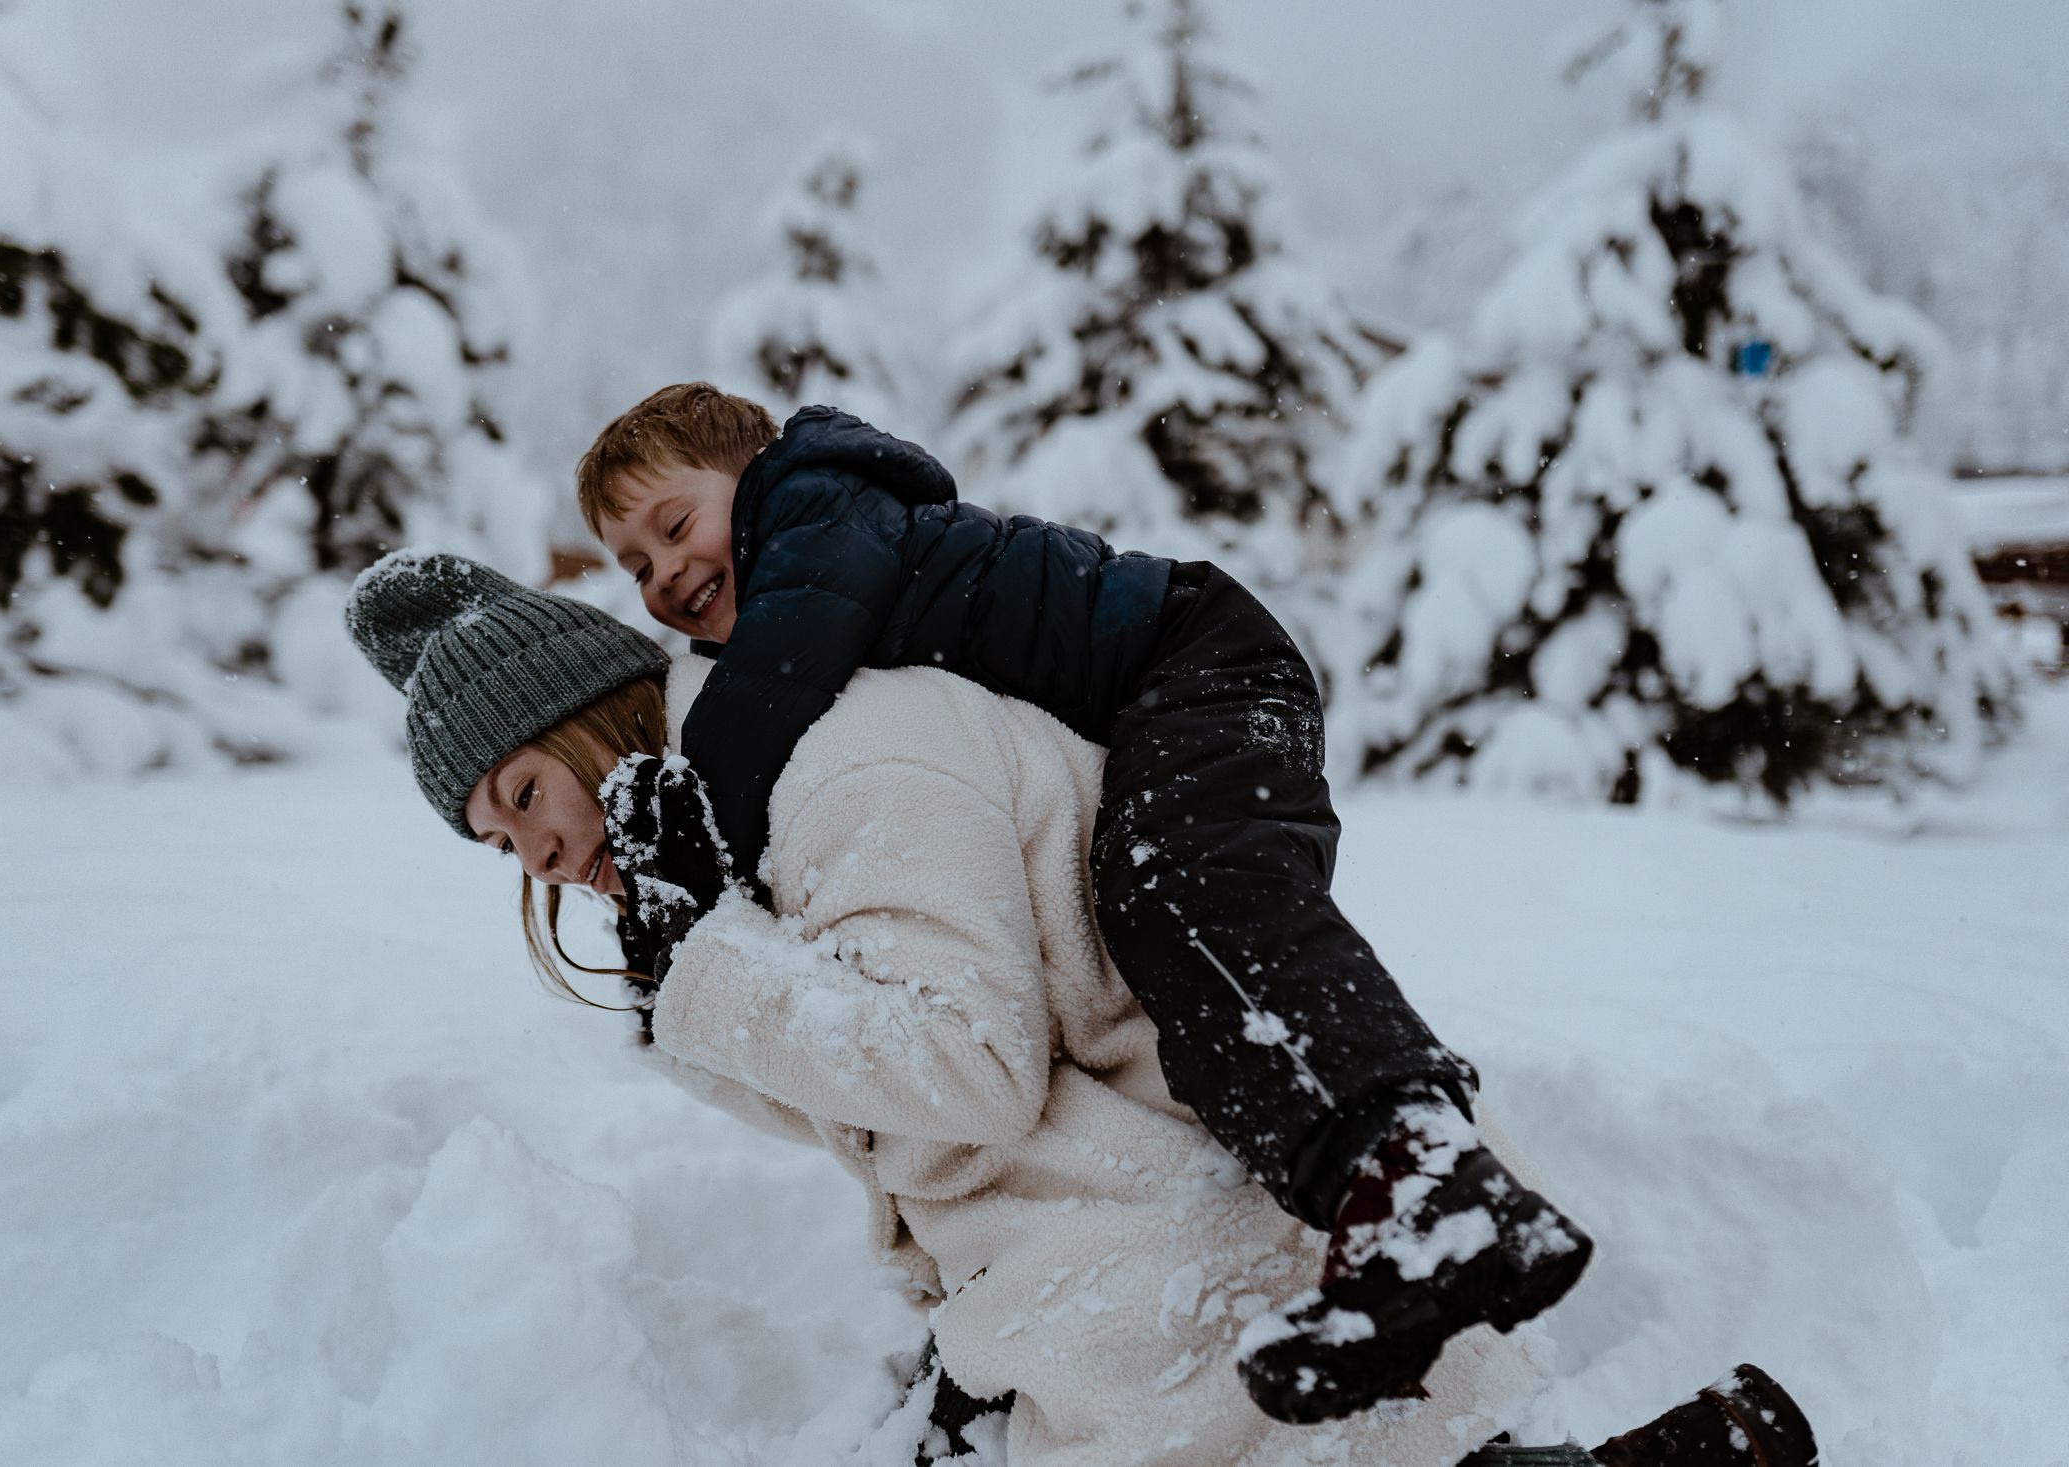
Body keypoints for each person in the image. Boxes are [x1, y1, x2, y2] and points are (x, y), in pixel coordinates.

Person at [340, 551, 1822, 1467]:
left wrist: (716, 970)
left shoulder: (846, 763)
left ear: (597, 718)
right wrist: (695, 963)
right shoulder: (723, 847)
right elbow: (868, 1106)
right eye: (495, 840)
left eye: (524, 792)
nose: (529, 851)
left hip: (1183, 1169)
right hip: (1071, 1198)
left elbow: (966, 1072)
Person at [572, 383, 1582, 1421]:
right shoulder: (800, 578)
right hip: (1160, 697)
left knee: (1187, 901)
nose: (665, 574)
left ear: (757, 476)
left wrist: (691, 857)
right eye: (634, 565)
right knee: (1184, 984)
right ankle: (1368, 1228)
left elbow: (772, 688)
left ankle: (1425, 1187)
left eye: (676, 523)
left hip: (1201, 663)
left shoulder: (821, 522)